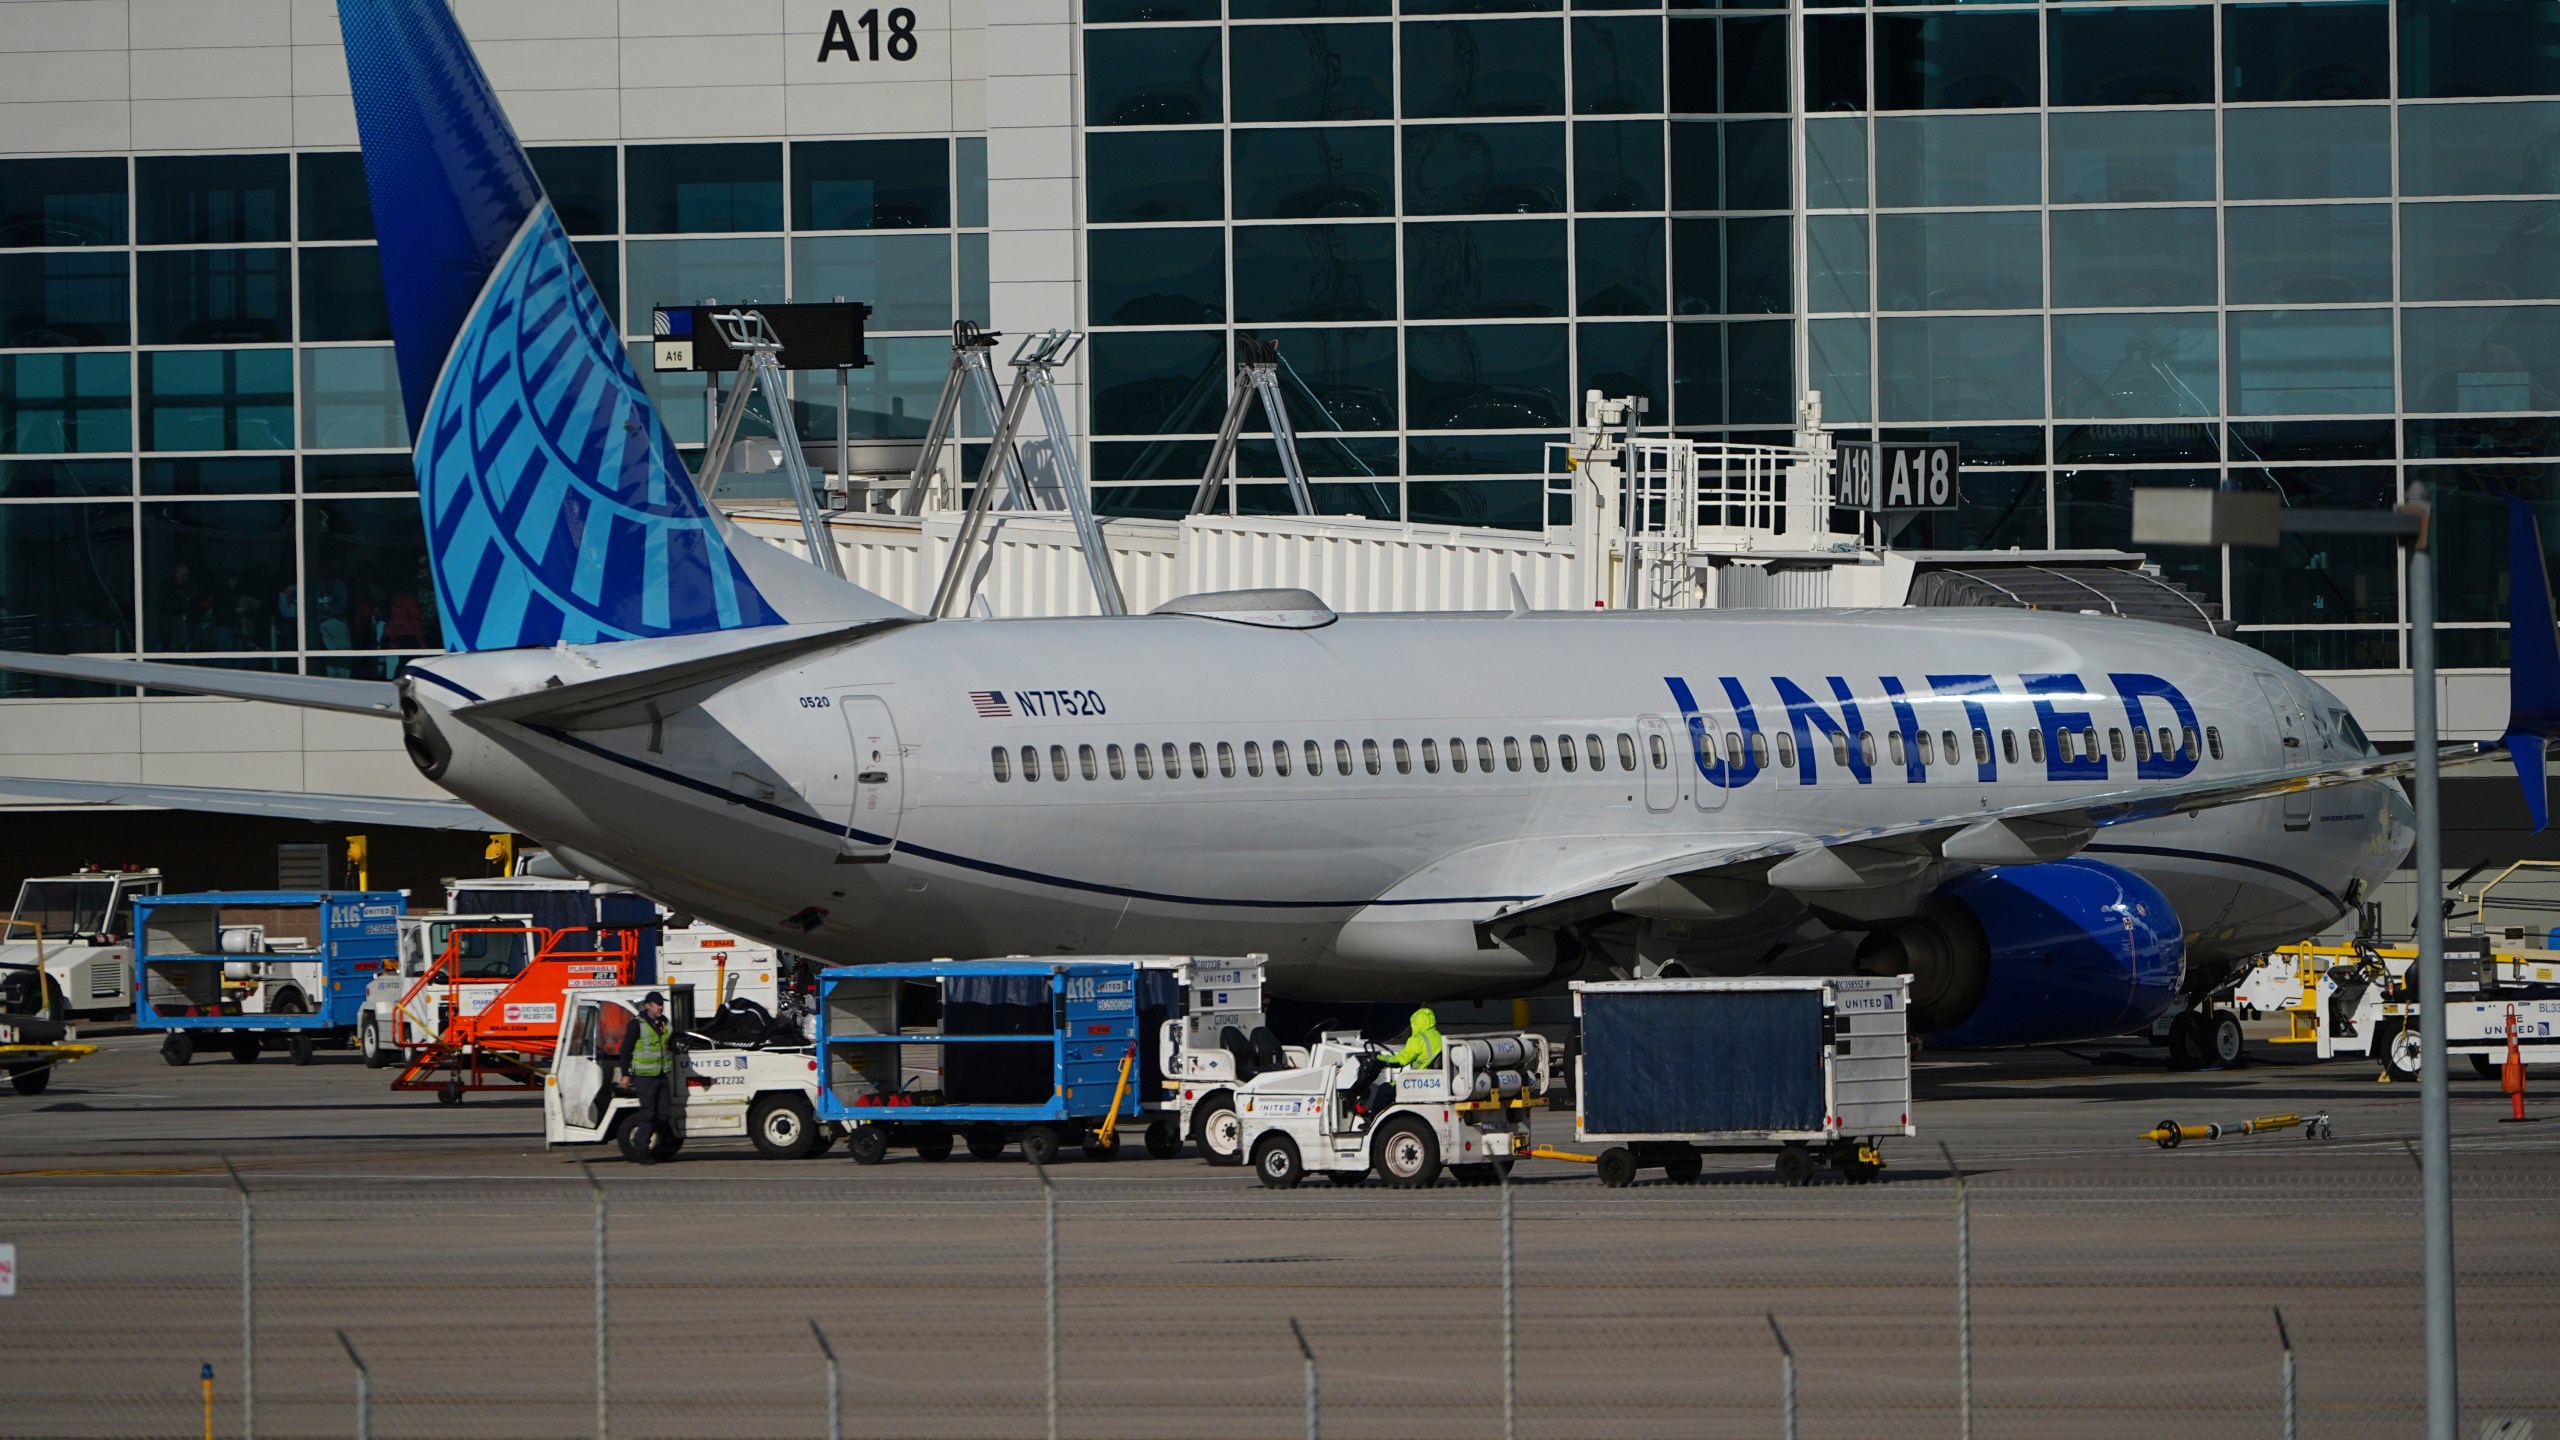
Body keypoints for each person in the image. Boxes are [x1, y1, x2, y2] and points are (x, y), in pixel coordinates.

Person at [1347, 1006, 1442, 1127]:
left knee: (1385, 1090)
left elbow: (1400, 1061)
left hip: (1418, 1081)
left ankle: (1372, 1121)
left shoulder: (1417, 1040)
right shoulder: (1439, 1037)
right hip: (1432, 1081)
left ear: (1417, 1023)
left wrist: (1380, 1059)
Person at [619, 990, 678, 1163]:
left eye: (662, 1004)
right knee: (648, 1113)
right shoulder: (636, 1025)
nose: (661, 1007)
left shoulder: (663, 1022)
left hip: (661, 1074)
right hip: (644, 1076)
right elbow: (625, 1050)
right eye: (657, 1004)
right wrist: (625, 1074)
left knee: (663, 1113)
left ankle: (664, 1142)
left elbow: (669, 1041)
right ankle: (642, 1150)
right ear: (648, 1006)